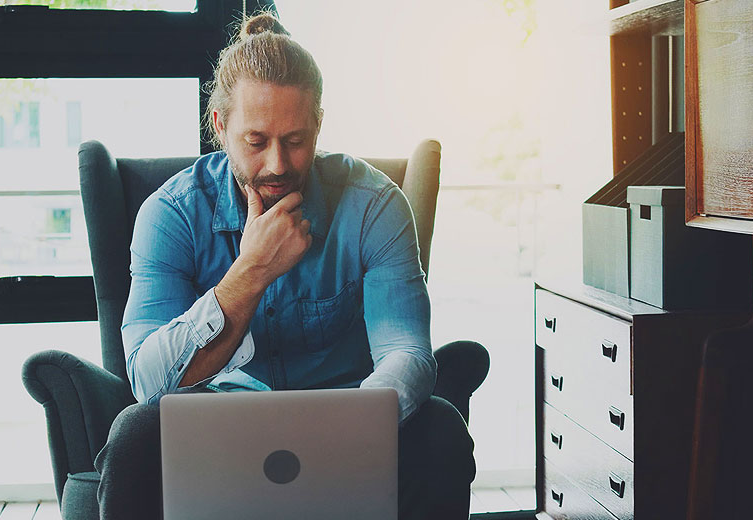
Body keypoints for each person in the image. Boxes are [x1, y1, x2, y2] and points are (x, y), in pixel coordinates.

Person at [93, 11, 476, 520]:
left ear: (318, 125)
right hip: (217, 435)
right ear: (220, 126)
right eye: (256, 142)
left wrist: (348, 430)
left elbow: (406, 352)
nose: (277, 164)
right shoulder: (171, 214)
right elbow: (148, 382)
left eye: (295, 140)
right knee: (134, 435)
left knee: (441, 429)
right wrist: (250, 272)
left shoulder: (374, 206)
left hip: (353, 431)